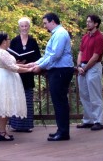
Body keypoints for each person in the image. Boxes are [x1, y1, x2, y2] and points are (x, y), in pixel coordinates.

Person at [28, 12, 74, 141]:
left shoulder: (60, 34)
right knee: (58, 101)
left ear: (53, 21)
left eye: (45, 23)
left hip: (61, 70)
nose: (44, 26)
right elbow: (49, 55)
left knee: (60, 102)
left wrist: (41, 67)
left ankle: (64, 132)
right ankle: (61, 130)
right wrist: (36, 63)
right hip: (58, 70)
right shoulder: (57, 34)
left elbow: (55, 55)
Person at [0, 32, 33, 141]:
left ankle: (2, 131)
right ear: (4, 41)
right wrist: (28, 69)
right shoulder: (2, 53)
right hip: (3, 81)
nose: (10, 41)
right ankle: (2, 132)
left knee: (3, 106)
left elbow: (10, 64)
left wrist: (26, 65)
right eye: (8, 39)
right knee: (3, 107)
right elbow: (12, 67)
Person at [9, 17, 41, 132]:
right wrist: (16, 62)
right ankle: (16, 125)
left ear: (29, 27)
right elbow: (9, 57)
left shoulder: (33, 41)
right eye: (22, 26)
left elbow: (38, 57)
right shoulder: (14, 41)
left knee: (27, 99)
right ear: (19, 27)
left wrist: (30, 63)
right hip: (17, 73)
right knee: (16, 99)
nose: (24, 28)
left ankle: (27, 125)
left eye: (26, 26)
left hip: (28, 73)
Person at [76, 14, 103, 131]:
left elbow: (95, 56)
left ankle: (98, 121)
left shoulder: (100, 37)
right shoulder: (85, 37)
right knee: (84, 95)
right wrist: (78, 66)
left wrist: (85, 68)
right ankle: (88, 120)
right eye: (87, 21)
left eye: (89, 22)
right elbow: (80, 52)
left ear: (96, 24)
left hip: (93, 67)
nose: (87, 23)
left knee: (95, 95)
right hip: (82, 67)